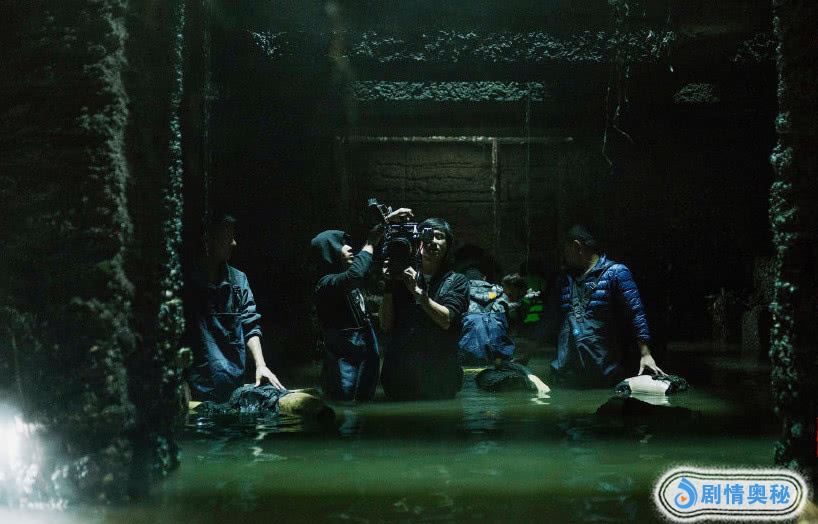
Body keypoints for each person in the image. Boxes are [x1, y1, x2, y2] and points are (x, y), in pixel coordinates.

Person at [310, 208, 412, 401]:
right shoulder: (326, 283)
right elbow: (356, 273)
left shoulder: (345, 281)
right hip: (344, 374)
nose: (349, 248)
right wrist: (370, 242)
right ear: (328, 251)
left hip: (362, 367)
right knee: (346, 407)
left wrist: (385, 223)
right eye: (341, 245)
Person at [184, 211, 285, 402]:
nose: (234, 243)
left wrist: (261, 365)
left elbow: (250, 324)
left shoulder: (238, 280)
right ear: (208, 240)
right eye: (228, 238)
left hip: (234, 386)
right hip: (198, 390)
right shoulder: (188, 283)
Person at [550, 225, 664, 387]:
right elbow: (551, 318)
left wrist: (645, 354)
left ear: (577, 246)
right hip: (568, 376)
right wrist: (530, 347)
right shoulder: (564, 280)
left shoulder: (616, 273)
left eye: (565, 249)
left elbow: (636, 313)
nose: (564, 255)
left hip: (606, 374)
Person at [379, 218, 470, 400]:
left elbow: (446, 320)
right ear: (417, 242)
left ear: (447, 245)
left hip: (440, 378)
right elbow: (386, 325)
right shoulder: (401, 277)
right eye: (428, 236)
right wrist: (389, 286)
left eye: (439, 237)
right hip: (400, 377)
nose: (433, 242)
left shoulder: (457, 281)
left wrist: (417, 291)